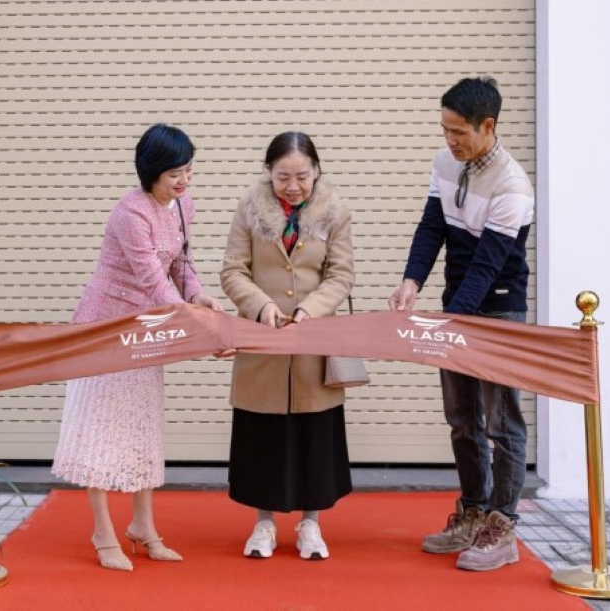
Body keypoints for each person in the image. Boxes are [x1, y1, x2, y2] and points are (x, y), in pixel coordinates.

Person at [52, 123, 224, 572]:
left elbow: (181, 265)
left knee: (143, 426)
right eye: (175, 174)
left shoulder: (184, 205)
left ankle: (143, 527)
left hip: (146, 327)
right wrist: (193, 321)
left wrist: (199, 296)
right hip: (106, 327)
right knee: (100, 427)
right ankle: (102, 532)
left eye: (188, 170)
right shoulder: (130, 212)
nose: (184, 181)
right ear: (151, 173)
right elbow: (150, 276)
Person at [388, 76, 535, 572]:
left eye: (459, 132)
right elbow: (433, 227)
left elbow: (488, 265)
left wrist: (448, 321)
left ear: (487, 126)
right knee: (461, 417)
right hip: (458, 300)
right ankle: (473, 511)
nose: (450, 140)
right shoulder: (445, 162)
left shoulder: (513, 186)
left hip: (498, 308)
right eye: (445, 128)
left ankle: (503, 524)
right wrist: (412, 281)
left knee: (501, 419)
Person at [220, 131, 354, 560]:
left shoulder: (335, 211)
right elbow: (233, 271)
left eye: (301, 175)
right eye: (282, 177)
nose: (292, 186)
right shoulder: (248, 208)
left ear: (316, 170)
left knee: (314, 437)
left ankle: (311, 526)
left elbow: (341, 275)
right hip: (263, 341)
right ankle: (263, 526)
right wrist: (260, 308)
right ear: (268, 173)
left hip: (314, 341)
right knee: (263, 436)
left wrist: (311, 311)